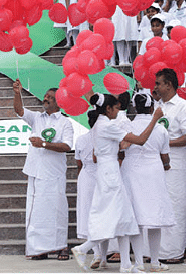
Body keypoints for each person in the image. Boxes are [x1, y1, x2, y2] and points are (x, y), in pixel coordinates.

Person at [72, 93, 164, 273]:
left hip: (108, 172)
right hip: (110, 175)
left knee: (125, 219)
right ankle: (83, 248)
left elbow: (118, 145)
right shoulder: (107, 125)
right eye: (116, 108)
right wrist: (154, 119)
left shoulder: (101, 125)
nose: (118, 111)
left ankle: (126, 265)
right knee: (114, 219)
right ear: (108, 109)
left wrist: (123, 144)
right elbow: (141, 140)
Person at [12, 80, 72, 261]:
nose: (46, 99)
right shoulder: (37, 118)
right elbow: (19, 110)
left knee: (57, 209)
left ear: (59, 102)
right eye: (46, 96)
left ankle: (61, 246)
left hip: (53, 173)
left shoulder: (65, 122)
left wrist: (44, 144)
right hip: (37, 171)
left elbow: (67, 146)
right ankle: (39, 249)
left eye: (50, 98)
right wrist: (17, 93)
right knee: (37, 211)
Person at [121, 93, 175, 272]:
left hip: (131, 171)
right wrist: (166, 165)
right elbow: (165, 155)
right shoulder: (160, 129)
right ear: (152, 108)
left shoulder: (126, 125)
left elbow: (120, 151)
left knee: (135, 217)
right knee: (154, 218)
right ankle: (154, 261)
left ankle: (139, 262)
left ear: (134, 107)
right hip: (153, 171)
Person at [153, 68, 186, 264]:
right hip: (158, 164)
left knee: (175, 205)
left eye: (158, 84)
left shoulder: (182, 106)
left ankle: (173, 252)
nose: (155, 87)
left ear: (168, 85)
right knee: (164, 204)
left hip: (176, 163)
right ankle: (175, 246)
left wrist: (165, 143)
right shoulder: (158, 106)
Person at [74, 110, 106, 270]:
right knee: (102, 214)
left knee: (90, 214)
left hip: (87, 176)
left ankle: (98, 253)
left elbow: (79, 164)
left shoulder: (81, 139)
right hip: (100, 175)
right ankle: (99, 254)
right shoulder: (104, 138)